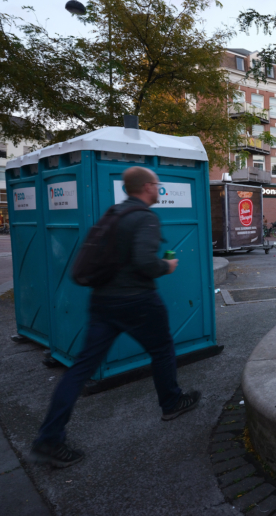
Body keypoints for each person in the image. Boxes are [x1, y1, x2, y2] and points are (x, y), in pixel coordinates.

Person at [30, 166, 200, 468]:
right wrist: (167, 266)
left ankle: (49, 438)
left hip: (103, 301)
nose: (159, 190)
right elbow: (145, 262)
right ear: (147, 187)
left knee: (82, 367)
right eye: (157, 185)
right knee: (162, 350)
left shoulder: (114, 214)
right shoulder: (145, 217)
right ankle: (171, 402)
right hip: (138, 301)